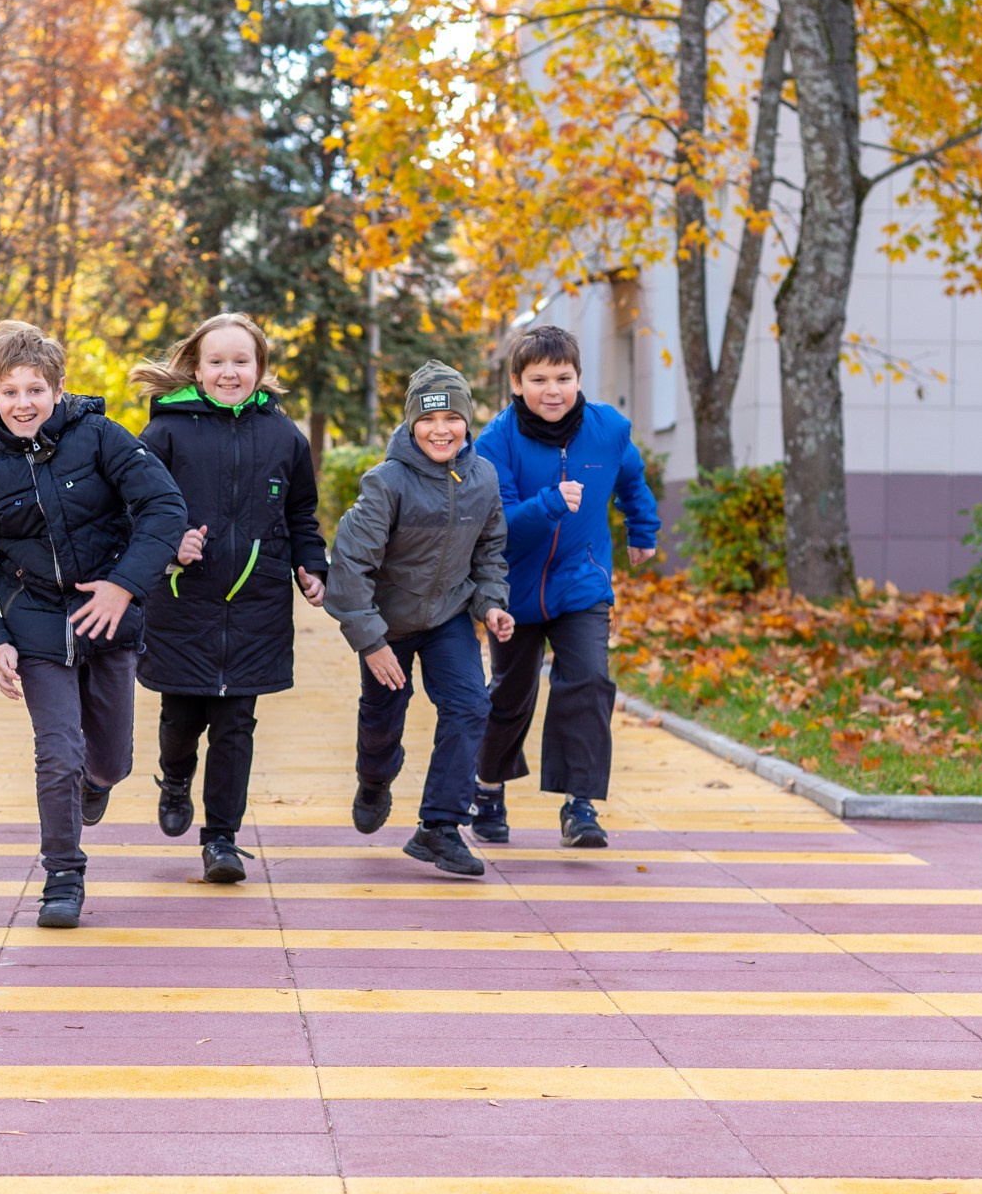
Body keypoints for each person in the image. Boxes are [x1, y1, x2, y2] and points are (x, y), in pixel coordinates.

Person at [0, 320, 186, 928]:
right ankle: (63, 878)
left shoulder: (100, 437)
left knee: (110, 763)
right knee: (58, 753)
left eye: (35, 390)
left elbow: (164, 506)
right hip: (36, 628)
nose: (23, 404)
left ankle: (95, 785)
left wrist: (124, 585)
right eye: (10, 392)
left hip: (108, 622)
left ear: (58, 388)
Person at [130, 313, 328, 884]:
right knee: (181, 716)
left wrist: (311, 566)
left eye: (241, 361)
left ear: (260, 368)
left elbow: (301, 513)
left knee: (236, 725)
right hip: (183, 601)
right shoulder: (164, 434)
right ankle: (175, 778)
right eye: (216, 361)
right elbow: (133, 508)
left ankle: (221, 838)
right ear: (195, 368)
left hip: (257, 605)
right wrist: (172, 543)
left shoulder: (285, 437)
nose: (228, 372)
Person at [471, 324, 658, 850]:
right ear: (516, 383)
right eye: (538, 380)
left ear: (578, 379)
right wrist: (552, 503)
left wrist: (642, 530)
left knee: (589, 680)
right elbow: (500, 523)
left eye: (563, 378)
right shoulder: (496, 441)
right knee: (511, 694)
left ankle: (580, 805)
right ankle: (488, 788)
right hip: (515, 589)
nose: (552, 390)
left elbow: (631, 478)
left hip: (582, 582)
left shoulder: (608, 428)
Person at [325, 360, 514, 877]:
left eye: (452, 418)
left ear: (467, 422)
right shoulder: (387, 483)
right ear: (411, 424)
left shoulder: (483, 478)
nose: (440, 429)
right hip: (387, 625)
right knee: (382, 722)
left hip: (448, 618)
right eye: (428, 419)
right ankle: (374, 779)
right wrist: (371, 642)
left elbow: (490, 552)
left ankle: (440, 826)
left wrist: (491, 605)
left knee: (470, 707)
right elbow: (350, 566)